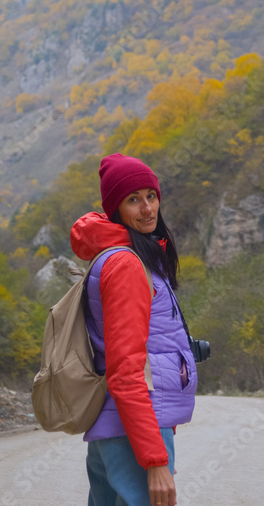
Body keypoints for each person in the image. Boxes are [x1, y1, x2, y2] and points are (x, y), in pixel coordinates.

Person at [70, 152, 198, 506]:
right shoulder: (126, 265)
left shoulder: (127, 257)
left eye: (151, 196)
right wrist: (155, 462)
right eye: (133, 200)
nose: (147, 209)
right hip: (134, 430)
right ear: (115, 210)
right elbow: (127, 372)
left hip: (115, 427)